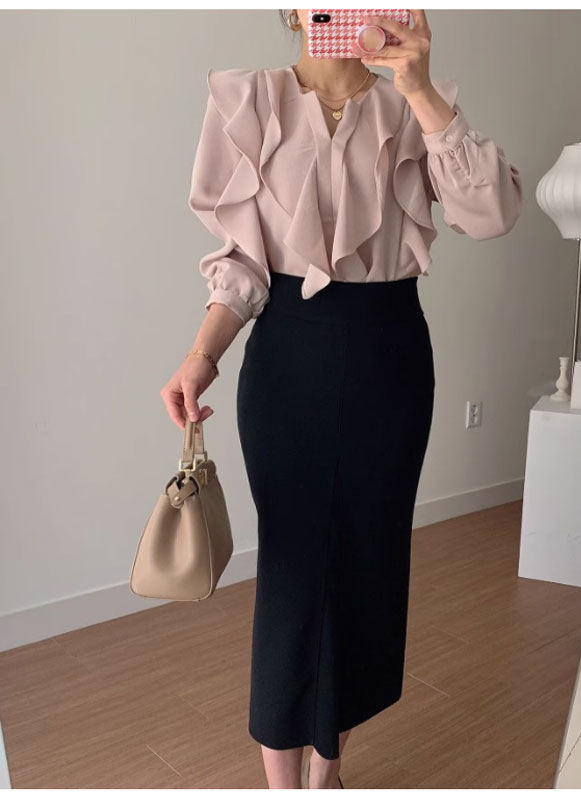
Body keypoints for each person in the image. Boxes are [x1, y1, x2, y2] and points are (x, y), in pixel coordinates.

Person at [160, 8, 523, 790]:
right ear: (292, 10)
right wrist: (200, 356)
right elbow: (242, 264)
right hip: (287, 361)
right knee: (293, 573)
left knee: (367, 567)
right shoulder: (246, 102)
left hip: (390, 356)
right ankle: (283, 792)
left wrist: (420, 88)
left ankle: (328, 776)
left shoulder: (414, 106)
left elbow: (492, 214)